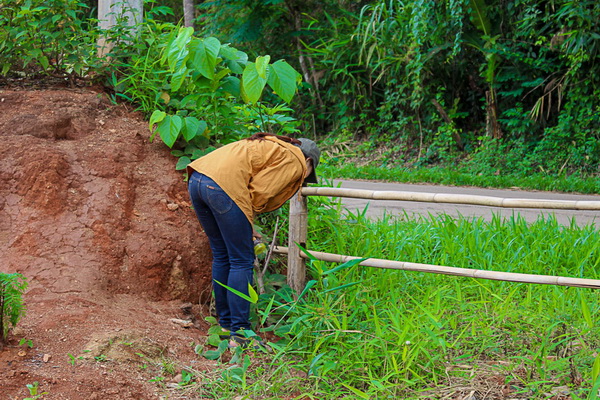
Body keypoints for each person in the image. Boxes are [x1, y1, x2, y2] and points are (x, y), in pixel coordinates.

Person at [186, 132, 320, 349]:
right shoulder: (295, 158)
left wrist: (245, 223)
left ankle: (225, 325)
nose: (305, 177)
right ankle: (240, 333)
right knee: (242, 260)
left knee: (222, 255)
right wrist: (248, 225)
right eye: (310, 173)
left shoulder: (272, 145)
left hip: (198, 179)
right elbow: (260, 192)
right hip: (223, 187)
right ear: (308, 161)